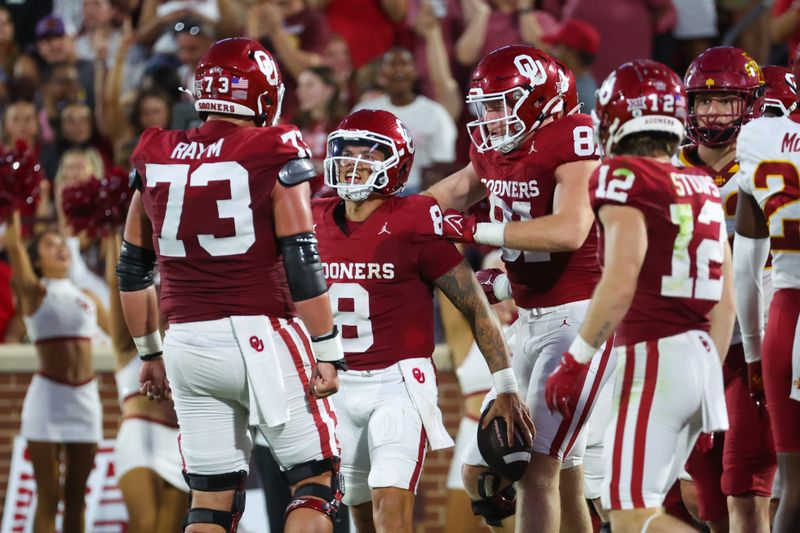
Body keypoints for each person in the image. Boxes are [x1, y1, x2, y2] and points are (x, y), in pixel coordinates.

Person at [118, 37, 346, 533]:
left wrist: (149, 355)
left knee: (211, 497)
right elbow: (301, 258)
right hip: (260, 332)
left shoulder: (156, 149)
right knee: (316, 482)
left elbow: (132, 268)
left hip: (185, 344)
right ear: (262, 96)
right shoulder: (274, 147)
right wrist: (326, 346)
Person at [313, 108, 533, 533]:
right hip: (336, 383)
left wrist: (505, 385)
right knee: (356, 511)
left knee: (389, 511)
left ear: (396, 165)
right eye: (347, 151)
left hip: (397, 382)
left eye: (369, 154)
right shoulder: (312, 216)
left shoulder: (415, 218)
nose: (354, 163)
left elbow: (473, 304)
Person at [425, 44, 613, 533]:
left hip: (579, 319)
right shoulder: (495, 148)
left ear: (541, 100)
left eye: (502, 102)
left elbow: (570, 229)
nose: (491, 116)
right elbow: (455, 190)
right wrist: (392, 220)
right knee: (531, 471)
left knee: (534, 469)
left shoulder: (572, 136)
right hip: (529, 319)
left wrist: (473, 231)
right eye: (486, 105)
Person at [545, 58, 736, 533]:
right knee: (636, 509)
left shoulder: (622, 175)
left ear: (613, 119)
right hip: (700, 358)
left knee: (630, 515)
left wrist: (576, 360)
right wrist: (708, 386)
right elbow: (726, 302)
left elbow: (620, 279)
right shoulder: (702, 187)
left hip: (655, 356)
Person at [675, 46, 776, 533]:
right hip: (684, 350)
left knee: (745, 492)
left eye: (726, 101)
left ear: (751, 105)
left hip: (745, 345)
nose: (711, 112)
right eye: (702, 102)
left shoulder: (767, 166)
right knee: (706, 503)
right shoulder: (665, 163)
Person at [4, 209, 108, 533]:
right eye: (49, 245)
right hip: (47, 402)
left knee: (77, 499)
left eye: (61, 242)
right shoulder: (35, 293)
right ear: (36, 262)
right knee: (49, 498)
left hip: (86, 402)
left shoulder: (89, 296)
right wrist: (14, 207)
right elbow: (15, 248)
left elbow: (121, 338)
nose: (60, 247)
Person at [733, 47, 800, 533]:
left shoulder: (760, 136)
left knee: (793, 492)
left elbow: (746, 268)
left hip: (786, 318)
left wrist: (753, 355)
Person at [104, 231, 189, 533]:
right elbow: (117, 284)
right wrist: (113, 232)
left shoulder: (185, 343)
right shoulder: (130, 345)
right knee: (144, 523)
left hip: (180, 443)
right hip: (138, 434)